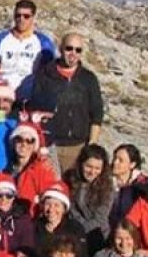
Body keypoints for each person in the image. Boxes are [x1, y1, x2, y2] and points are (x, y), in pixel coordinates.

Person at [24, 32, 103, 174]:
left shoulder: (88, 79)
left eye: (78, 50)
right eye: (69, 48)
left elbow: (97, 114)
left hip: (78, 147)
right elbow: (34, 109)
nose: (73, 53)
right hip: (50, 145)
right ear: (61, 49)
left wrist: (91, 146)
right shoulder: (44, 75)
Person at [0, 0, 55, 101]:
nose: (21, 19)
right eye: (18, 15)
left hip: (29, 95)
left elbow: (48, 71)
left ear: (33, 17)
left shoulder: (43, 42)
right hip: (1, 94)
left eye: (26, 16)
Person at [66, 144, 115, 257]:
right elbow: (71, 209)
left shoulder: (107, 187)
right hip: (74, 228)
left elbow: (100, 218)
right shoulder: (71, 179)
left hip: (96, 233)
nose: (92, 172)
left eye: (97, 168)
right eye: (89, 166)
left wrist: (80, 230)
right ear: (81, 164)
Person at [30, 183, 89, 257]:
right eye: (48, 204)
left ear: (64, 209)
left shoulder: (75, 228)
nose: (51, 209)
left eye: (56, 205)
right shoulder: (32, 227)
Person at [5, 122, 57, 210]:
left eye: (29, 141)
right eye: (19, 139)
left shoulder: (42, 168)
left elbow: (50, 199)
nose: (24, 144)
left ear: (34, 145)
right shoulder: (9, 169)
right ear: (13, 142)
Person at [0, 173, 35, 257]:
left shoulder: (23, 220)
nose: (4, 199)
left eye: (8, 196)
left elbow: (27, 246)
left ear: (14, 197)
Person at [109, 143, 148, 231]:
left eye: (120, 160)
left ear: (132, 164)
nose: (115, 162)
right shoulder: (106, 179)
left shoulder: (142, 185)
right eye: (115, 158)